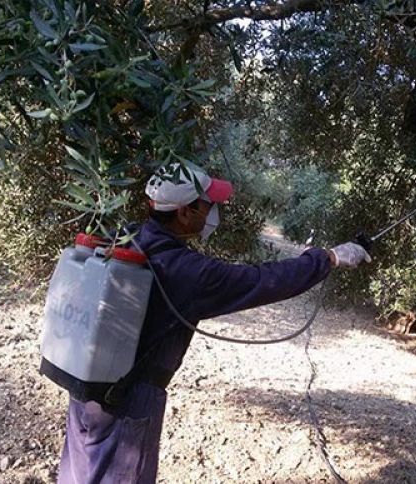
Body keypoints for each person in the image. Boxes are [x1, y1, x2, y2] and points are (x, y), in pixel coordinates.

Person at [57, 164, 371, 483]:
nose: (214, 211)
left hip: (87, 384)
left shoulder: (128, 236)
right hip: (132, 397)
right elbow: (262, 281)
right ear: (183, 212)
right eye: (208, 204)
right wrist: (328, 258)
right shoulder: (187, 272)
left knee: (80, 473)